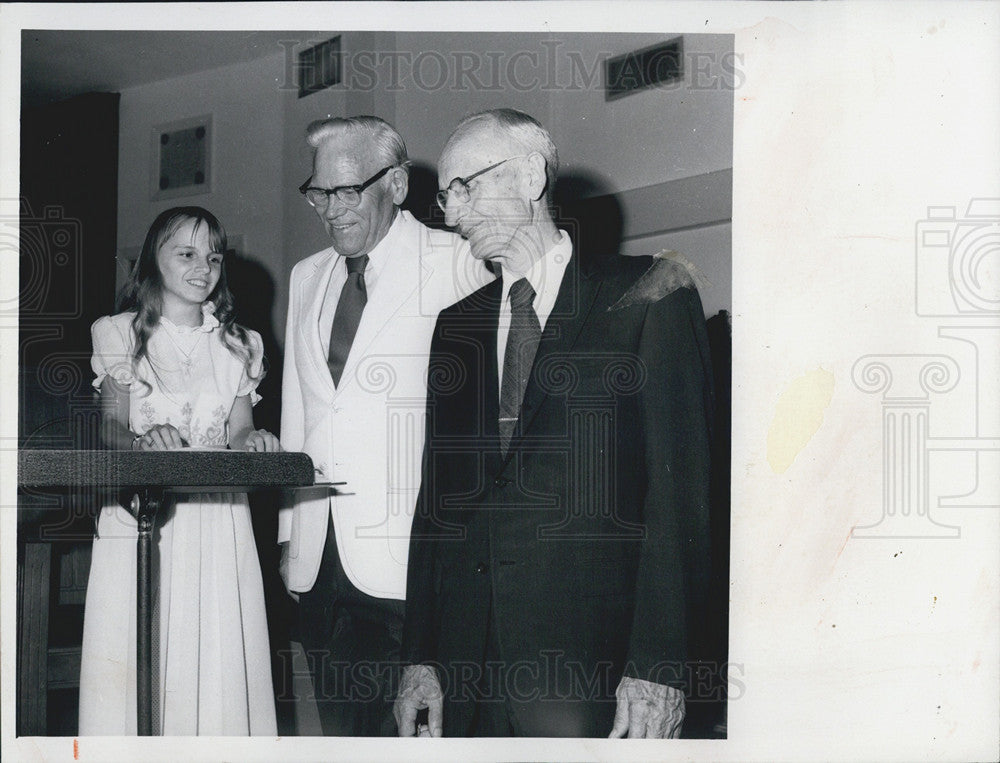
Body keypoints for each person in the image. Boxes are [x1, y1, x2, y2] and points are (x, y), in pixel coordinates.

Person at [394, 109, 715, 738]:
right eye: (445, 196)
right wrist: (421, 657)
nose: (453, 214)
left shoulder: (650, 294)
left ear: (532, 176)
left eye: (468, 187)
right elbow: (437, 504)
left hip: (596, 667)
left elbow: (682, 501)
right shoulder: (455, 328)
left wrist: (660, 665)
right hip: (470, 664)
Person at [278, 116, 491, 736]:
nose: (329, 210)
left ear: (396, 184)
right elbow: (303, 409)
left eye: (347, 192)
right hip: (322, 562)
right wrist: (292, 530)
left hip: (413, 565)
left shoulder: (459, 261)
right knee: (343, 736)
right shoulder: (306, 276)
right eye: (319, 193)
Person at [79, 206, 281, 735]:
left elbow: (238, 429)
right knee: (142, 646)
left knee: (213, 649)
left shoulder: (240, 343)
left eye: (213, 256)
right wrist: (144, 441)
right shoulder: (121, 334)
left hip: (216, 516)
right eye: (186, 253)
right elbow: (110, 428)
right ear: (153, 261)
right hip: (142, 512)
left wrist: (253, 440)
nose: (203, 266)